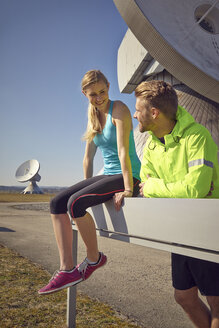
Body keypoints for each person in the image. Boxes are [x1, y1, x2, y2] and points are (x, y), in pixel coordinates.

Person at [38, 70, 141, 295]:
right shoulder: (92, 114)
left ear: (109, 86)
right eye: (93, 94)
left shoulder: (119, 109)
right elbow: (88, 157)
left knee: (76, 204)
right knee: (57, 203)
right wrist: (88, 187)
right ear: (85, 94)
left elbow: (123, 151)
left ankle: (94, 259)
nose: (99, 97)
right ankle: (66, 269)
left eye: (102, 91)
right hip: (107, 175)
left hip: (128, 174)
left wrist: (128, 188)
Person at [133, 80, 219, 328]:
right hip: (180, 229)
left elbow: (196, 189)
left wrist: (154, 187)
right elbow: (146, 190)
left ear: (154, 113)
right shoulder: (150, 146)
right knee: (183, 296)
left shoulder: (197, 137)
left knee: (216, 300)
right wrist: (156, 189)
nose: (135, 114)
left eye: (138, 109)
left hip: (206, 228)